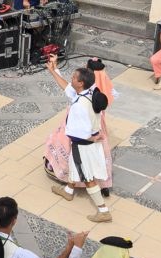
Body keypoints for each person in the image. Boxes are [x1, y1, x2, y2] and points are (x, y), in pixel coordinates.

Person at [46, 57, 112, 223]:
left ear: (81, 83)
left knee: (88, 178)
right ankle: (68, 191)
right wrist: (53, 70)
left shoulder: (79, 107)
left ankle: (103, 210)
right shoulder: (89, 92)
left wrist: (94, 135)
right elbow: (67, 88)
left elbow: (80, 131)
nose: (71, 79)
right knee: (75, 168)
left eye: (74, 77)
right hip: (88, 145)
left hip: (84, 147)